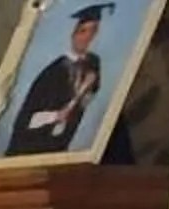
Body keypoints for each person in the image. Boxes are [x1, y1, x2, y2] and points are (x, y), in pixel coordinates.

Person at [7, 4, 110, 157]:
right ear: (73, 34)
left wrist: (85, 91)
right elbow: (24, 121)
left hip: (61, 147)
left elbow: (89, 95)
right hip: (31, 148)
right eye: (83, 31)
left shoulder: (93, 63)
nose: (87, 38)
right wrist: (55, 116)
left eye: (93, 31)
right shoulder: (52, 73)